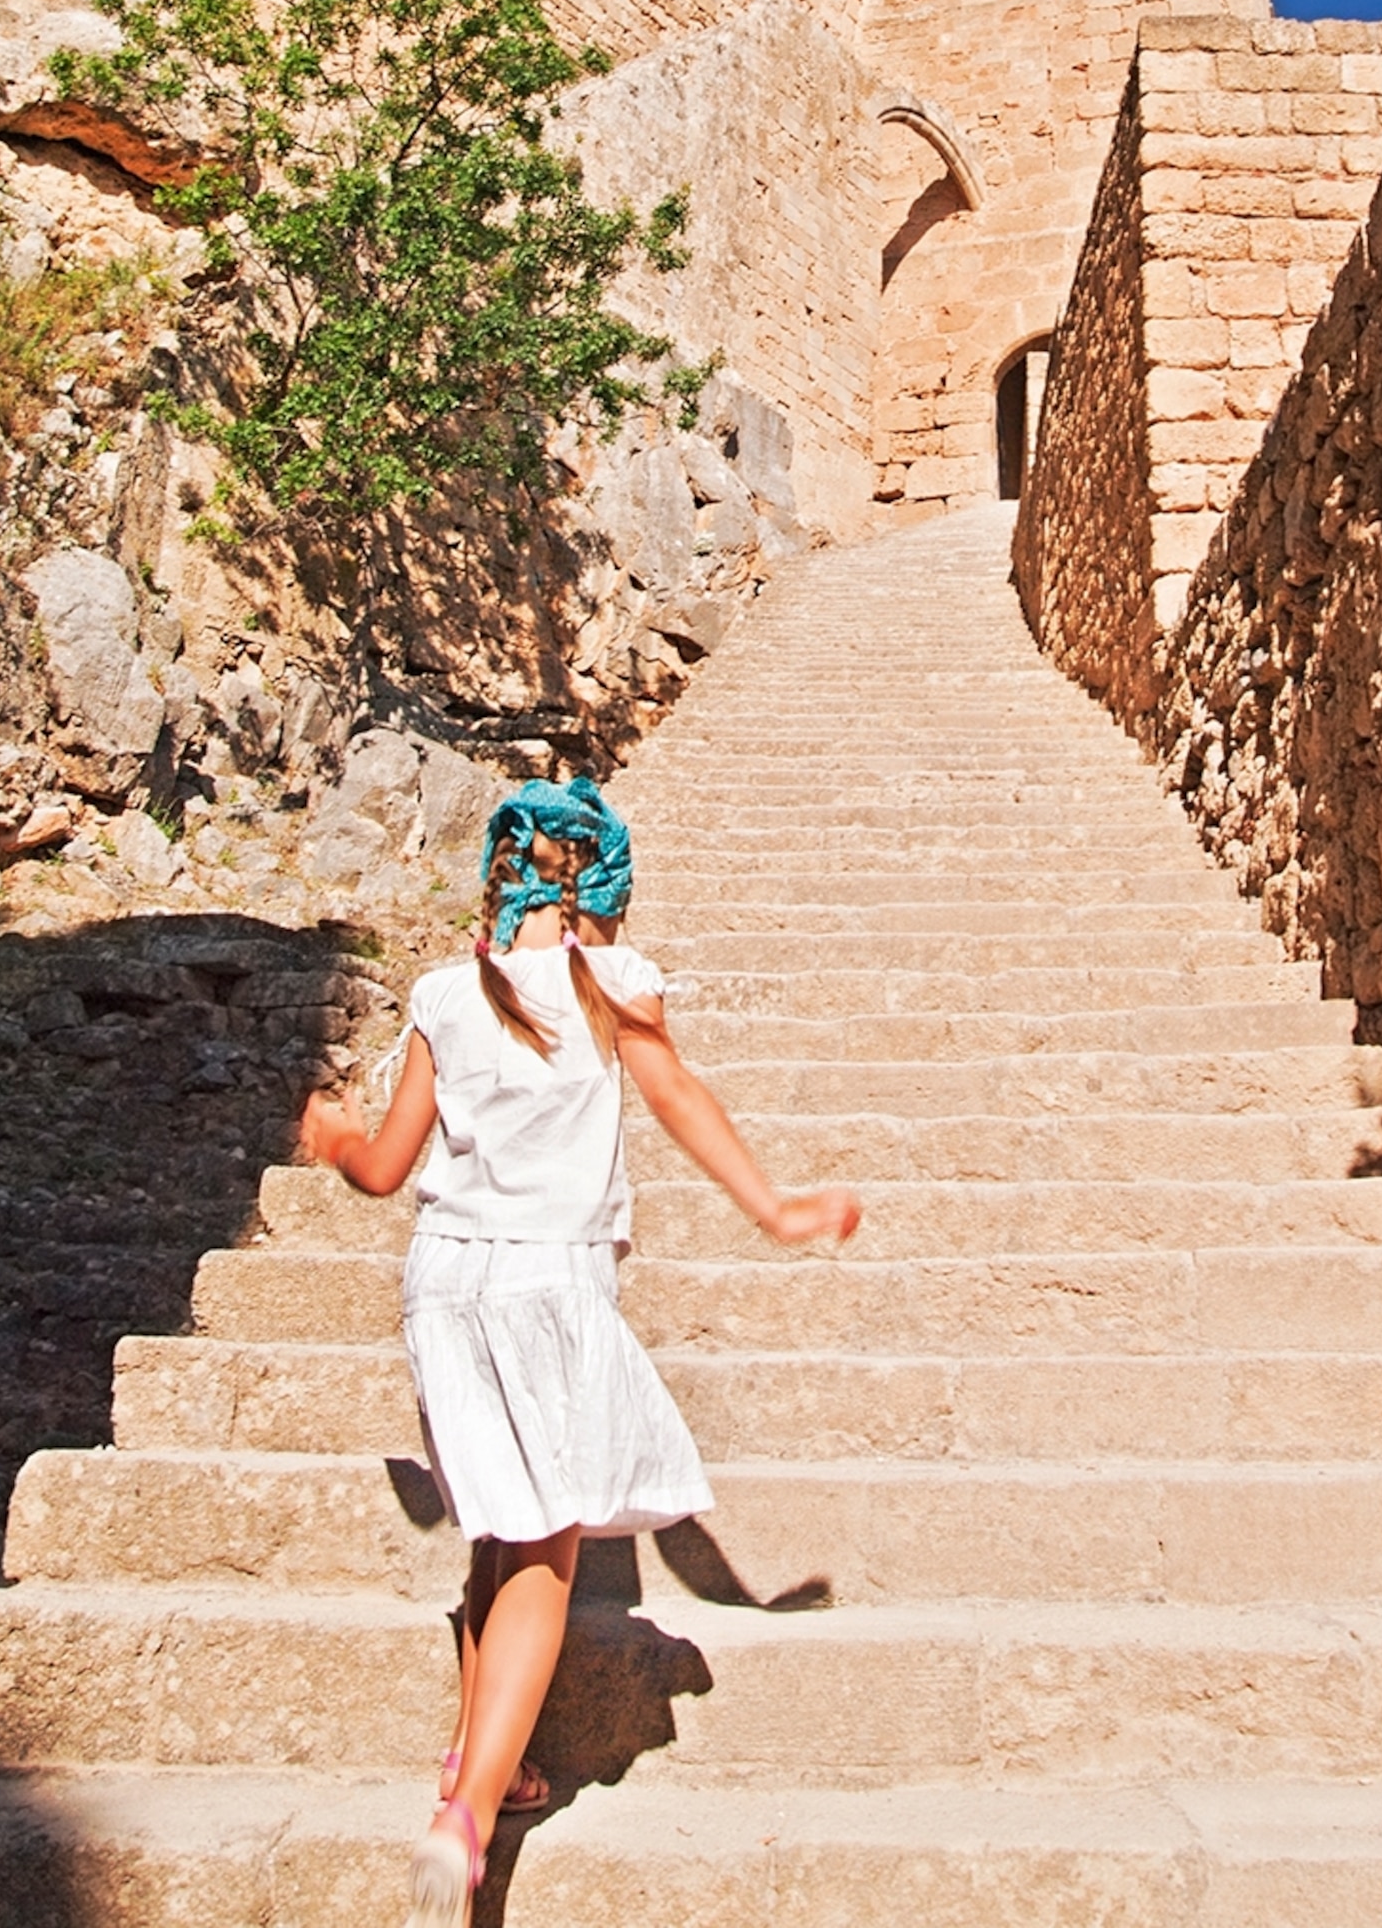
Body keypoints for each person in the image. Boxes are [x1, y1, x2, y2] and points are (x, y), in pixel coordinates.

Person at [300, 772, 860, 1928]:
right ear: (598, 891)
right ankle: (462, 1824)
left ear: (501, 883)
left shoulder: (447, 995)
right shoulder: (611, 987)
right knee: (544, 1560)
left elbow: (386, 1167)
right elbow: (682, 1098)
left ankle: (485, 1764)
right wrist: (775, 1208)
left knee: (494, 1537)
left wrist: (337, 1140)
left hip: (445, 1285)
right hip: (547, 1282)